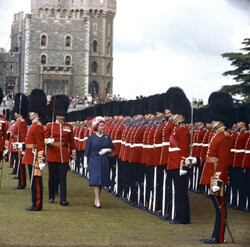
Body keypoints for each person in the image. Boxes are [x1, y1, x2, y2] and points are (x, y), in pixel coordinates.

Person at [199, 91, 234, 244]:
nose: (211, 121)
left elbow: (223, 161)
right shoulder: (217, 135)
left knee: (220, 206)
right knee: (216, 206)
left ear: (221, 118)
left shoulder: (225, 136)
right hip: (211, 173)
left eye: (214, 118)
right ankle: (215, 235)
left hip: (217, 176)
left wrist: (218, 180)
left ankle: (219, 237)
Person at [45, 95, 76, 206]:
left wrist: (73, 154)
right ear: (56, 115)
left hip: (63, 155)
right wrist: (48, 141)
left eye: (62, 115)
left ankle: (63, 199)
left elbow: (72, 142)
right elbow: (45, 138)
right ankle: (51, 196)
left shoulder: (69, 127)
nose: (61, 117)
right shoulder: (50, 126)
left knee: (63, 178)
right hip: (52, 154)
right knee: (52, 177)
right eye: (59, 115)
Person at [22, 89, 47, 211]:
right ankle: (34, 203)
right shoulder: (33, 125)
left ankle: (37, 205)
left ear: (36, 113)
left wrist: (40, 160)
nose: (29, 113)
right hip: (29, 155)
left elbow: (40, 145)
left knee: (36, 182)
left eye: (31, 111)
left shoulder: (38, 126)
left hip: (34, 157)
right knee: (33, 182)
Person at [84, 116, 114, 208]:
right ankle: (97, 200)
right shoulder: (91, 138)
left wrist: (107, 150)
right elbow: (87, 151)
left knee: (100, 182)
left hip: (104, 160)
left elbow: (112, 148)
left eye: (103, 125)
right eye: (100, 125)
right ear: (96, 126)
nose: (102, 127)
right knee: (96, 181)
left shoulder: (107, 137)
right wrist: (85, 162)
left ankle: (97, 199)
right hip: (94, 160)